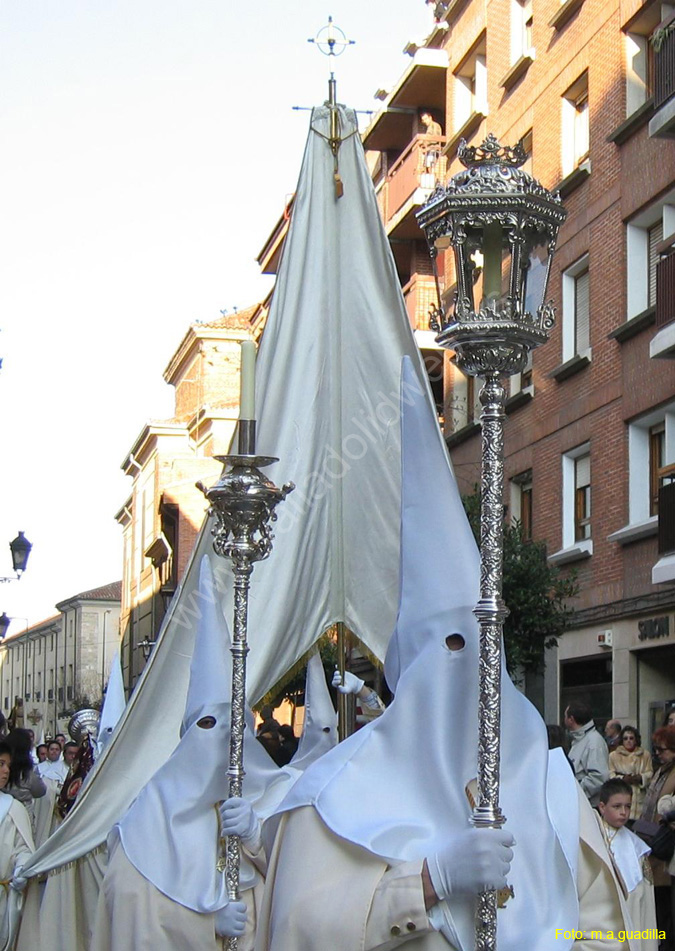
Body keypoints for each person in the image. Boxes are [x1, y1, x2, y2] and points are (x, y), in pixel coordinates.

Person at [256, 361, 590, 951]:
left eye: (483, 646)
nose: (466, 674)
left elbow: (614, 926)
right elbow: (299, 930)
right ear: (407, 667)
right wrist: (427, 883)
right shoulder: (331, 797)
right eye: (449, 646)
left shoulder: (552, 784)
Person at [90, 558, 298, 951]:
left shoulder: (266, 799)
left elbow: (303, 886)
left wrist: (257, 838)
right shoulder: (147, 822)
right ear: (186, 738)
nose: (221, 742)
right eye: (207, 726)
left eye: (231, 729)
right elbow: (130, 905)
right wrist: (205, 923)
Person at [596, 779, 658, 949]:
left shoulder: (636, 847)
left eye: (628, 806)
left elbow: (644, 899)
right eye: (617, 806)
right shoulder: (591, 837)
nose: (624, 812)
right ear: (602, 807)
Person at [638, 725, 675, 946]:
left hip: (666, 844)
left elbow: (665, 805)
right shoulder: (663, 770)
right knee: (658, 902)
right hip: (653, 837)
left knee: (665, 905)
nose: (658, 753)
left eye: (662, 749)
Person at [0, 740, 35, 949]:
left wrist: (22, 866)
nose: (6, 770)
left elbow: (23, 847)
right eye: (1, 764)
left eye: (7, 765)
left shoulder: (12, 808)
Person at [564, 701, 609, 806]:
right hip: (581, 803)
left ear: (571, 720)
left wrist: (576, 791)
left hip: (589, 806)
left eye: (565, 716)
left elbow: (599, 777)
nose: (564, 719)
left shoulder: (594, 742)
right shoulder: (580, 739)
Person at [4, 729, 46, 834]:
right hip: (23, 813)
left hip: (3, 811)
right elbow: (40, 790)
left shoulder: (3, 766)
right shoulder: (27, 772)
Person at [609, 726, 653, 821]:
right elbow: (610, 774)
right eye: (625, 738)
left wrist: (641, 778)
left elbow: (650, 773)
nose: (628, 741)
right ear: (622, 740)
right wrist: (622, 779)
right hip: (622, 795)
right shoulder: (613, 756)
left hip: (640, 799)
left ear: (636, 740)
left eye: (631, 738)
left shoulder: (645, 755)